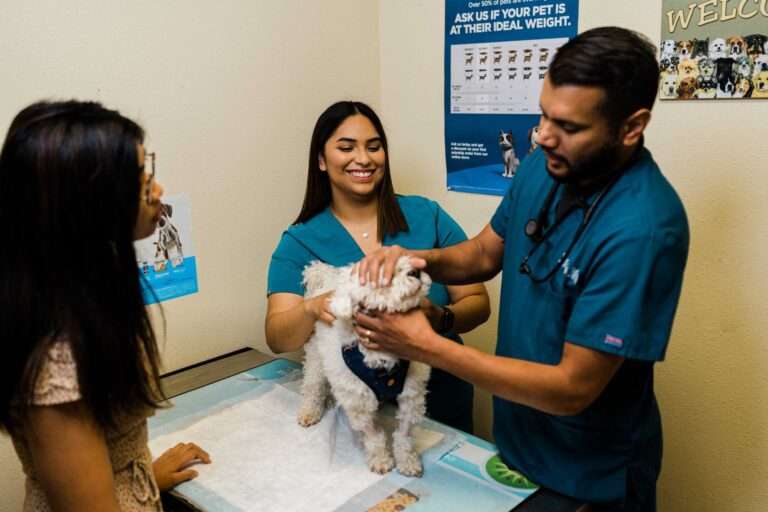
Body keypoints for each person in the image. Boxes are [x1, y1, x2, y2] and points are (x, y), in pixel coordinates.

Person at [353, 27, 689, 510]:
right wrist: (415, 258)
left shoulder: (644, 229)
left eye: (569, 127)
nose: (544, 136)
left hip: (589, 474)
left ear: (631, 127)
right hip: (514, 447)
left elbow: (573, 388)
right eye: (543, 114)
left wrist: (426, 345)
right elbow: (484, 255)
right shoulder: (544, 165)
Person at [0, 100, 211, 511]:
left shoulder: (86, 300)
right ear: (88, 202)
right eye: (138, 176)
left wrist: (143, 472)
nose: (157, 189)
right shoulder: (57, 364)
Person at [265, 101, 490, 433]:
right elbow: (277, 336)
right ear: (322, 160)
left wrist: (439, 318)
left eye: (374, 147)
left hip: (439, 395)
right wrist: (312, 308)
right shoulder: (300, 241)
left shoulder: (427, 215)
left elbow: (478, 302)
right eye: (346, 147)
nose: (364, 159)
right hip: (358, 414)